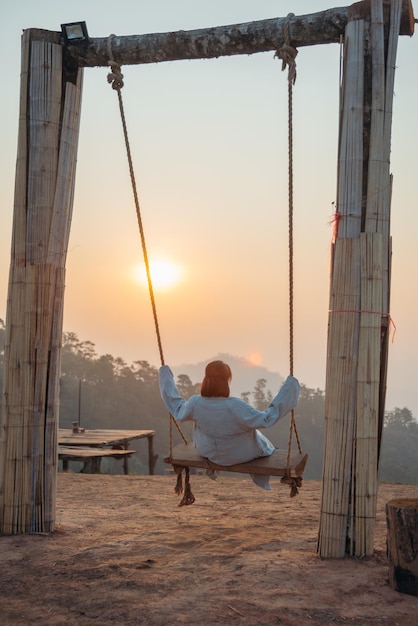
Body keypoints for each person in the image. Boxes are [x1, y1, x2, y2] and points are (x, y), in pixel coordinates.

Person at [158, 359, 300, 490]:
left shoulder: (196, 403)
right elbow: (266, 419)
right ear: (226, 381)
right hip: (240, 454)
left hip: (209, 452)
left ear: (206, 379)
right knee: (259, 437)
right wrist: (291, 388)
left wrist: (165, 374)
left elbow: (176, 407)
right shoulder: (235, 406)